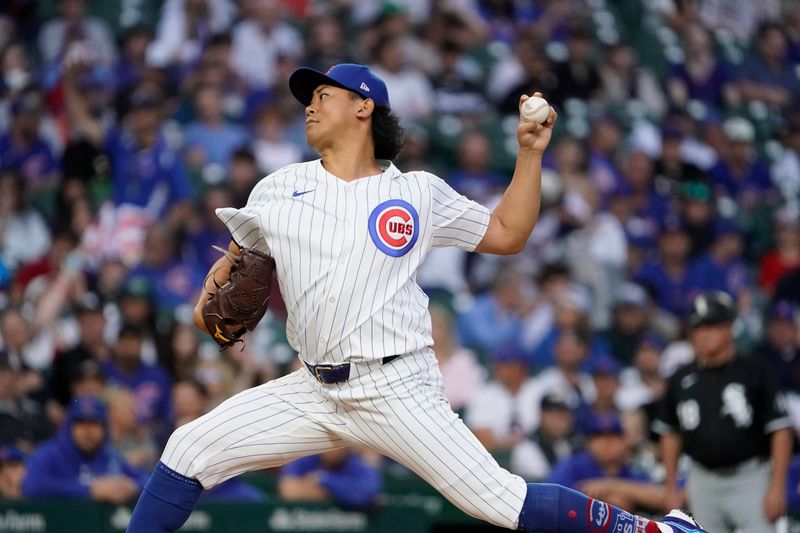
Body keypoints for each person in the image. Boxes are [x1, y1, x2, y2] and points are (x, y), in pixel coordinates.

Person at [127, 63, 702, 533]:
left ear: (363, 106)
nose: (309, 105)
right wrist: (209, 306)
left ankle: (652, 531)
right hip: (311, 388)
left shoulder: (415, 192)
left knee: (496, 500)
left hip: (396, 385)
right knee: (189, 448)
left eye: (322, 95)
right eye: (309, 98)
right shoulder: (277, 188)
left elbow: (507, 234)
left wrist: (529, 154)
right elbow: (230, 270)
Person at [655, 291, 792, 532]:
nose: (703, 333)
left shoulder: (756, 370)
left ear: (729, 327)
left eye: (711, 325)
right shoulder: (681, 377)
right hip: (702, 478)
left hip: (750, 477)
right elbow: (670, 433)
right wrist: (671, 487)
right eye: (696, 327)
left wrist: (777, 486)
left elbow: (780, 429)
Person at [21, 395, 146, 503]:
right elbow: (31, 485)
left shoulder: (110, 456)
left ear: (104, 428)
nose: (88, 431)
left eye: (94, 423)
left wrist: (133, 486)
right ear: (69, 426)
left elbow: (148, 480)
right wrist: (90, 490)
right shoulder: (50, 453)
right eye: (81, 423)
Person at [279, 448, 382, 510]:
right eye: (328, 443)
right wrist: (341, 493)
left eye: (337, 444)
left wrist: (323, 479)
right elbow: (289, 491)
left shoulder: (354, 463)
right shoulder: (307, 460)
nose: (332, 450)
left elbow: (366, 493)